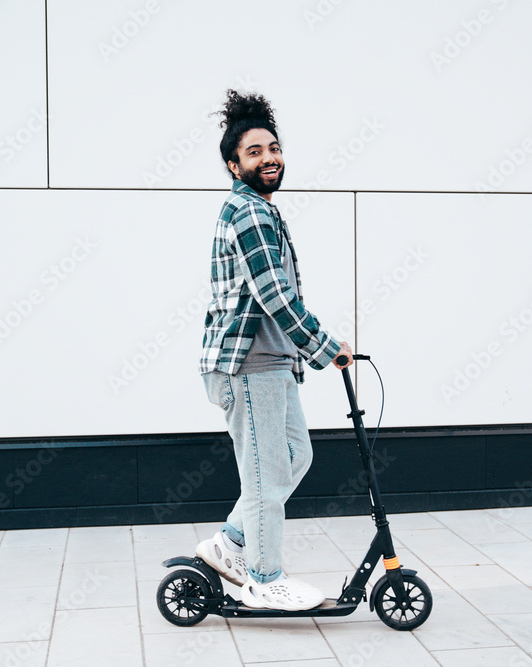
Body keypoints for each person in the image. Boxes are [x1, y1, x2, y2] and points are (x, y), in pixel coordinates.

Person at [196, 90, 353, 611]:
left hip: (273, 361)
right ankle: (265, 578)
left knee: (293, 458)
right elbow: (275, 296)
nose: (269, 158)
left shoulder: (260, 209)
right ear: (232, 164)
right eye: (255, 152)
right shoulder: (249, 213)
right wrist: (327, 348)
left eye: (274, 148)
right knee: (265, 475)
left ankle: (231, 543)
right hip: (250, 365)